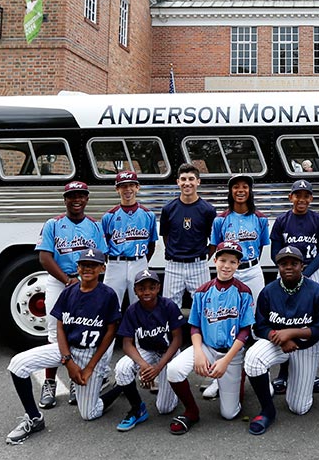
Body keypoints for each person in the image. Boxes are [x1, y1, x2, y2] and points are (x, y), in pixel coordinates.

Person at [5, 249, 120, 445]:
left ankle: (120, 387)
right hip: (67, 349)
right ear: (77, 267)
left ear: (102, 268)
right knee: (17, 364)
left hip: (91, 352)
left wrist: (90, 367)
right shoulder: (69, 291)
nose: (87, 268)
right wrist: (68, 361)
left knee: (89, 414)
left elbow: (111, 331)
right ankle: (34, 419)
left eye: (93, 265)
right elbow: (60, 324)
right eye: (84, 264)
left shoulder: (108, 294)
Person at [164, 241, 255, 434]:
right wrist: (198, 352)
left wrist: (225, 361)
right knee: (173, 369)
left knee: (229, 414)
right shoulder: (203, 291)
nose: (226, 266)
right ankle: (191, 410)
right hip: (206, 346)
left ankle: (238, 378)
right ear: (215, 261)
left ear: (238, 264)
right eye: (222, 260)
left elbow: (245, 331)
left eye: (232, 261)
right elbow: (195, 325)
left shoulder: (243, 291)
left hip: (232, 353)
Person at [244, 246, 319, 435]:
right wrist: (280, 339)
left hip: (306, 346)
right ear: (278, 266)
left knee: (299, 407)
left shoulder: (316, 291)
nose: (289, 267)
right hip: (277, 343)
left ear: (302, 265)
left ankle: (303, 380)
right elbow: (259, 326)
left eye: (294, 263)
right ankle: (267, 410)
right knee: (253, 360)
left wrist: (291, 333)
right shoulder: (269, 291)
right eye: (284, 263)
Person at [35, 181, 106, 410]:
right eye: (72, 195)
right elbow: (45, 257)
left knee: (80, 331)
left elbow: (100, 257)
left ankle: (75, 382)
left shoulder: (94, 226)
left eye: (81, 195)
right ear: (65, 199)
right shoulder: (53, 224)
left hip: (85, 282)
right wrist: (67, 281)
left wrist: (88, 282)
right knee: (55, 334)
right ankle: (49, 383)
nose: (76, 199)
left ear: (86, 198)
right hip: (60, 281)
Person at [101, 269, 185, 432]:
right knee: (122, 368)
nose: (147, 292)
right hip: (147, 351)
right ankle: (137, 408)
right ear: (135, 291)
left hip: (168, 353)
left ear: (158, 288)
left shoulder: (168, 305)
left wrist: (158, 368)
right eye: (142, 288)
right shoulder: (132, 310)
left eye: (151, 287)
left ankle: (175, 384)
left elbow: (177, 339)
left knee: (165, 408)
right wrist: (144, 366)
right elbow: (127, 343)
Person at [269, 180, 319, 394]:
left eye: (306, 195)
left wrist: (304, 271)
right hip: (286, 274)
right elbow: (274, 251)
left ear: (311, 198)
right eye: (298, 195)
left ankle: (311, 372)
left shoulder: (317, 220)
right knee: (286, 318)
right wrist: (290, 271)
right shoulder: (282, 220)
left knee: (311, 320)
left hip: (311, 273)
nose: (301, 199)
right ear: (290, 197)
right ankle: (283, 373)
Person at [160, 163, 216, 310]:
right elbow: (166, 236)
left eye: (191, 179)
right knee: (170, 308)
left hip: (198, 265)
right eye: (183, 179)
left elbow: (214, 240)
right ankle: (172, 334)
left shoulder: (208, 210)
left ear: (198, 181)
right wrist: (176, 252)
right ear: (178, 182)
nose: (187, 183)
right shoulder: (168, 209)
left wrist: (203, 256)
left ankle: (202, 334)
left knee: (204, 306)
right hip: (174, 265)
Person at [102, 171, 158, 307]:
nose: (128, 189)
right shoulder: (109, 216)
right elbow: (104, 245)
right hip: (116, 263)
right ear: (117, 189)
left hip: (139, 261)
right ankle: (111, 329)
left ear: (137, 187)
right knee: (110, 303)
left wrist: (142, 261)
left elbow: (152, 245)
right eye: (123, 186)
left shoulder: (148, 215)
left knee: (141, 303)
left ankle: (139, 328)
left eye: (131, 185)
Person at [211, 174, 269, 303]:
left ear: (250, 191)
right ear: (231, 191)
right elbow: (217, 246)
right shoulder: (220, 220)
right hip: (229, 270)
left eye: (245, 187)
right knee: (228, 309)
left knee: (255, 309)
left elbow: (261, 246)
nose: (241, 190)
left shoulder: (261, 219)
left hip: (252, 270)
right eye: (236, 187)